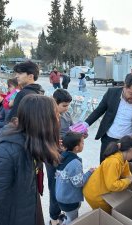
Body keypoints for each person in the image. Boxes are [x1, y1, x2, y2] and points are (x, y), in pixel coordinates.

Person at [0, 95, 61, 225]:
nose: (59, 118)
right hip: (16, 213)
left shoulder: (33, 135)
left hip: (30, 199)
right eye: (56, 115)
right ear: (42, 120)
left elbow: (43, 152)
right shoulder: (8, 151)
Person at [85, 74, 132, 163]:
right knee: (105, 168)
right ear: (125, 87)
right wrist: (84, 125)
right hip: (109, 139)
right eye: (131, 94)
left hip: (128, 144)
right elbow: (98, 111)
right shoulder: (112, 93)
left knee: (125, 172)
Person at [83, 135, 132, 213]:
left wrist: (129, 179)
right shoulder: (114, 162)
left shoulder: (123, 160)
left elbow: (127, 174)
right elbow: (112, 185)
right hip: (95, 195)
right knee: (107, 214)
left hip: (100, 190)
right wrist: (128, 181)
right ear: (130, 150)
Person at [46, 89, 73, 225]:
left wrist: (79, 134)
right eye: (64, 105)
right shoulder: (46, 117)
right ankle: (53, 218)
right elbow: (42, 138)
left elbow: (72, 129)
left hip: (65, 155)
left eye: (68, 105)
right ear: (54, 102)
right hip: (52, 156)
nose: (66, 108)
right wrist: (54, 142)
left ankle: (60, 212)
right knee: (54, 186)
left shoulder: (67, 115)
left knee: (63, 185)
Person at [56, 132, 94, 224]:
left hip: (61, 196)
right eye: (82, 143)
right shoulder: (75, 163)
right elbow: (78, 182)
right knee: (73, 220)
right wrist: (89, 172)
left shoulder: (61, 156)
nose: (83, 144)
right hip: (70, 200)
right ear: (76, 147)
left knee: (68, 216)